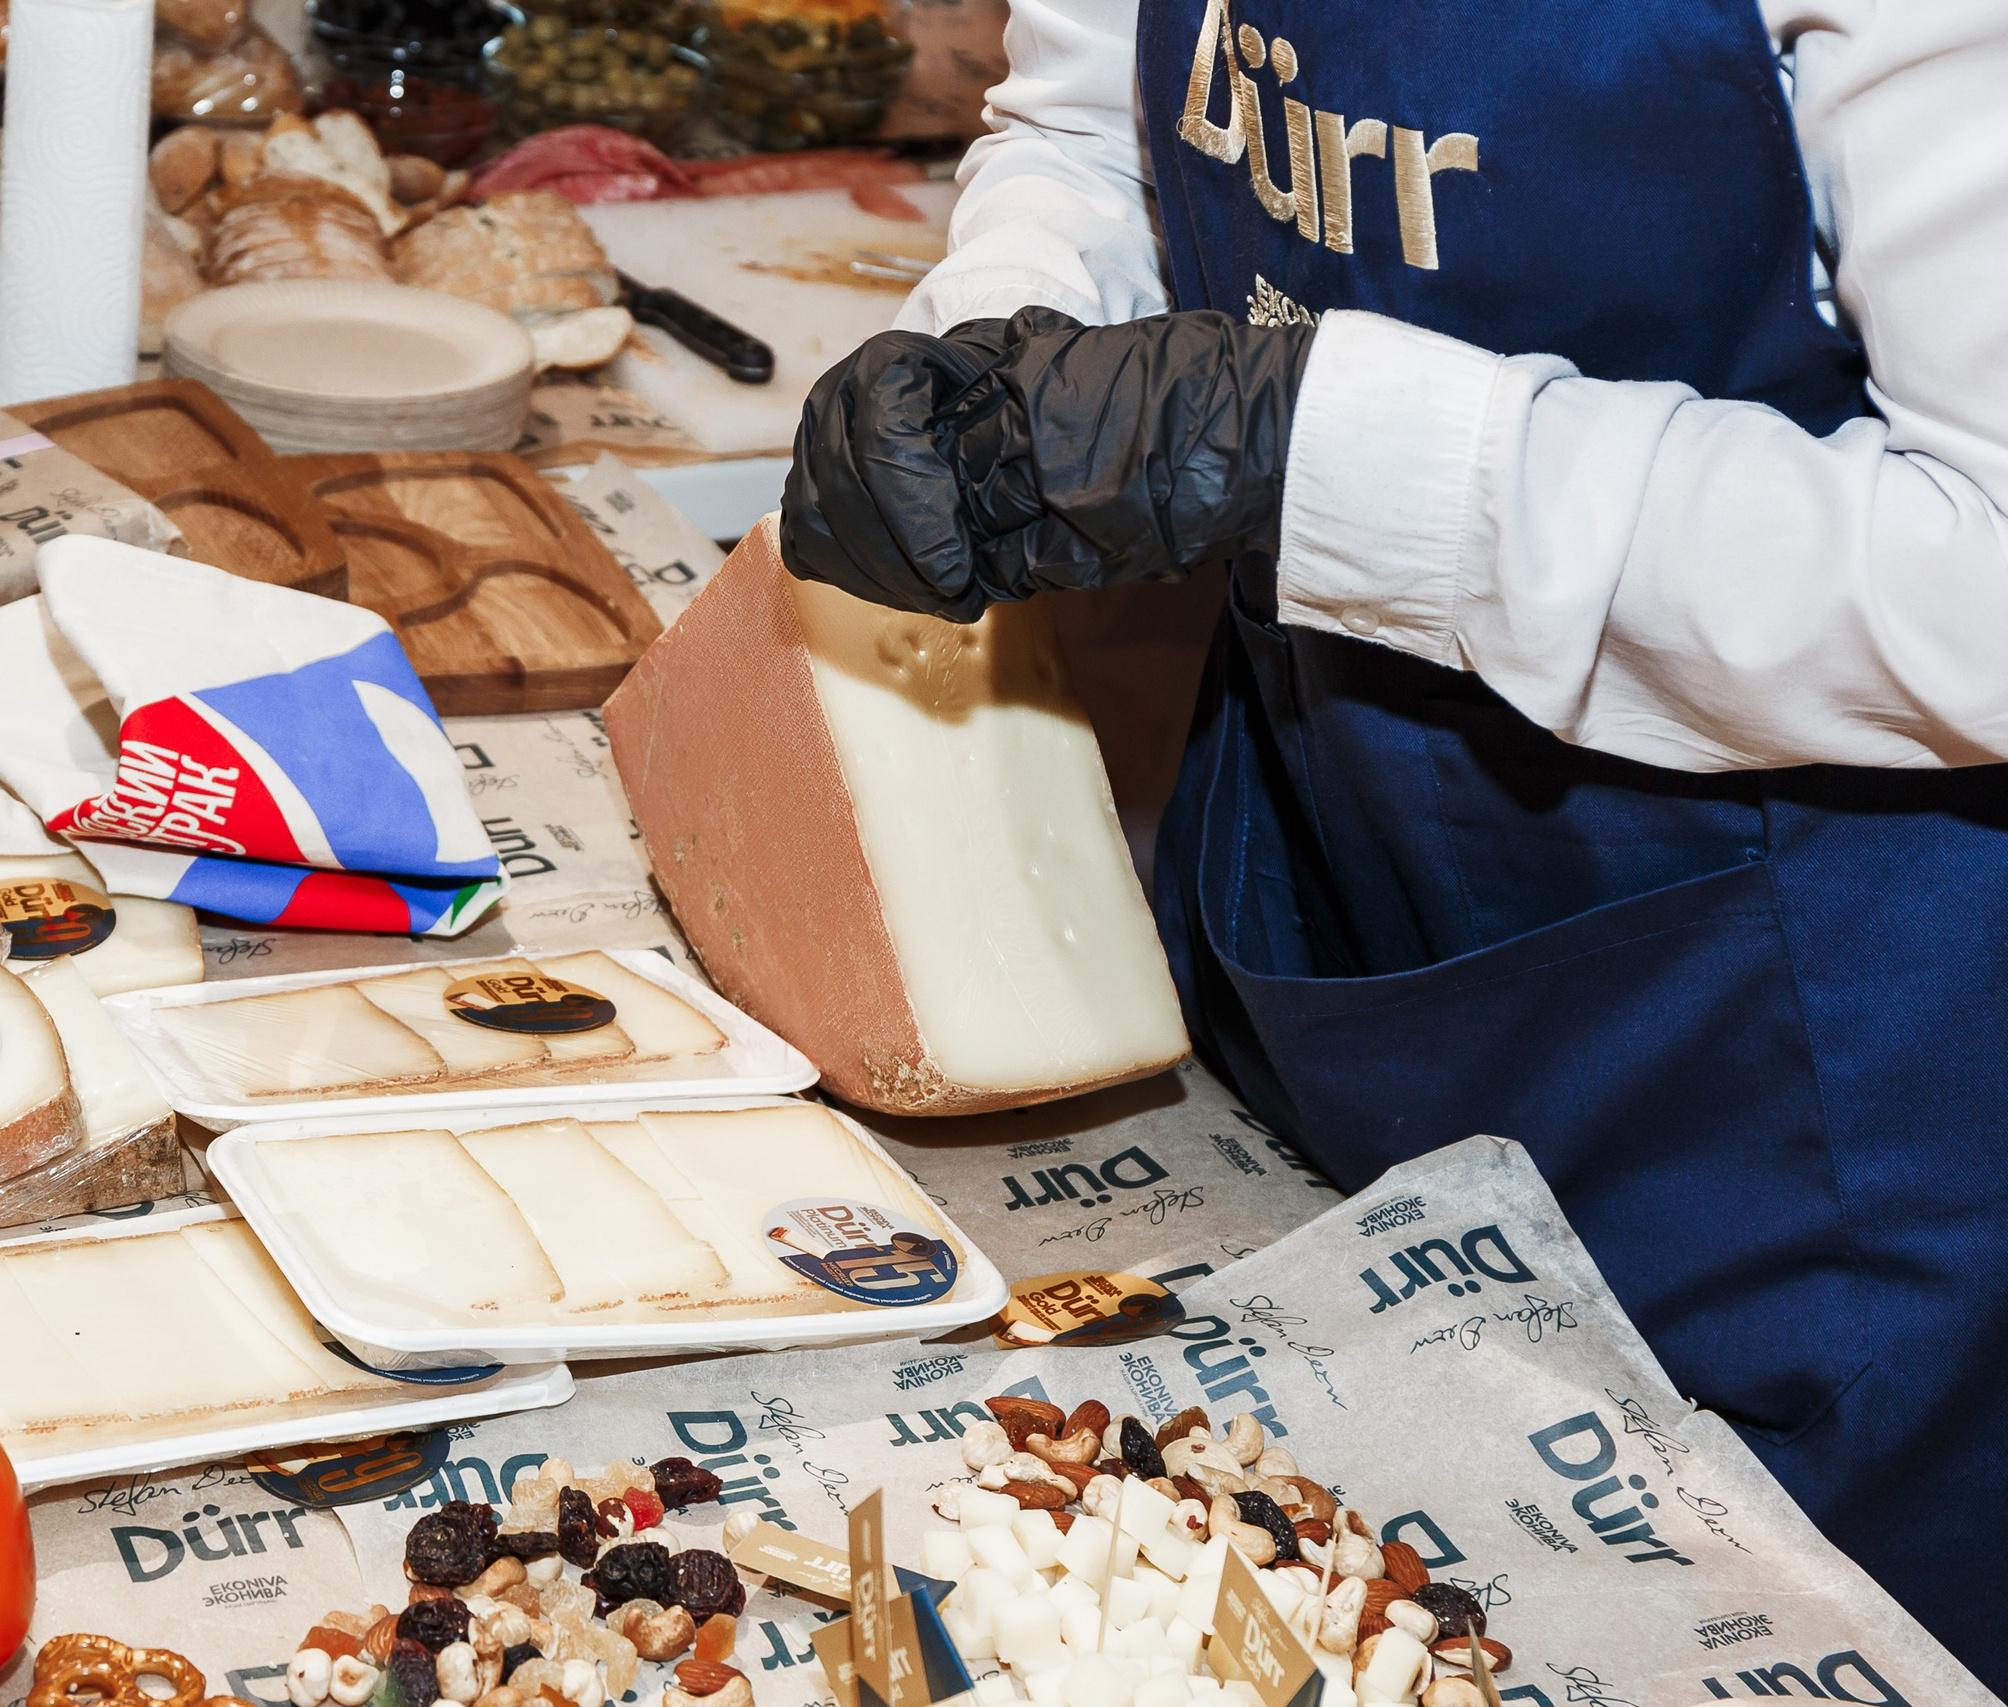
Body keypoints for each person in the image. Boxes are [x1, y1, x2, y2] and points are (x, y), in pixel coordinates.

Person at [778, 0, 2008, 1679]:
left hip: (1822, 1053)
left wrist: (1315, 442)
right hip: (1335, 862)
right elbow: (1092, 128)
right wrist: (1010, 356)